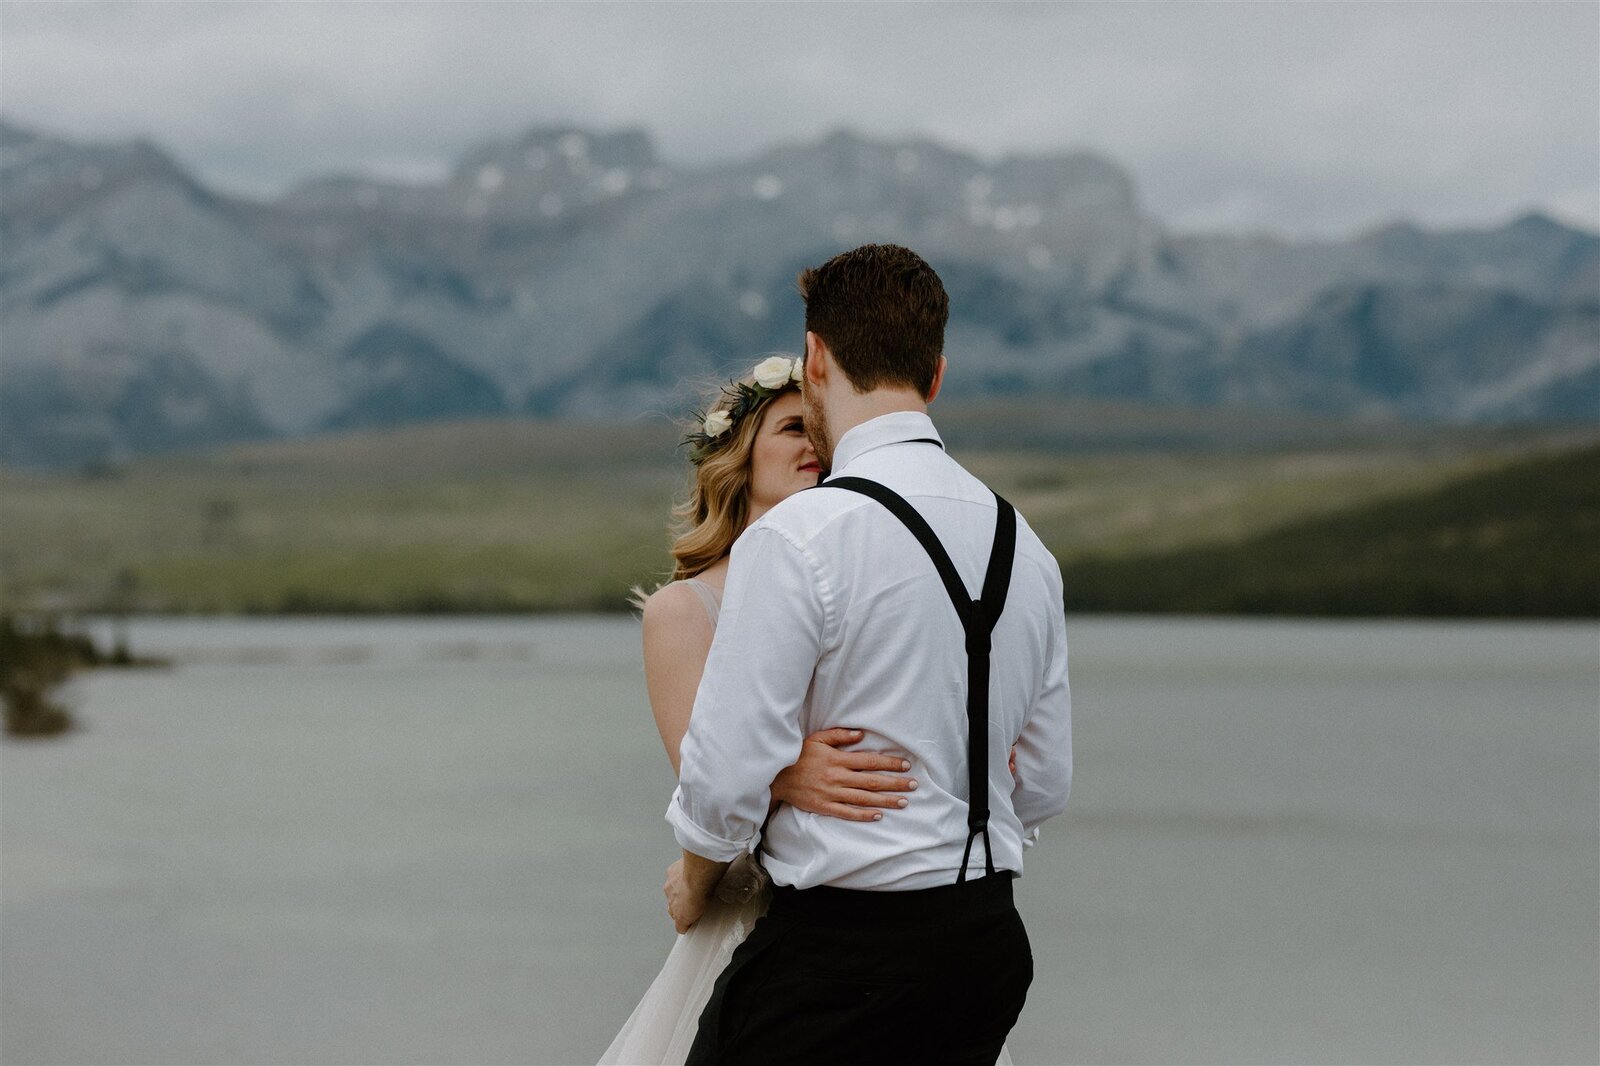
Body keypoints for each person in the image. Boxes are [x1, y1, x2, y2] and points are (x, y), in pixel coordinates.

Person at [664, 244, 1072, 1066]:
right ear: (937, 374)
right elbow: (1045, 783)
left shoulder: (799, 536)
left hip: (838, 961)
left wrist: (693, 883)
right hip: (986, 951)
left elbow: (721, 778)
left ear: (816, 359)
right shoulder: (1022, 543)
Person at [599, 357, 922, 1065]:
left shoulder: (861, 584)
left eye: (823, 431)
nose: (814, 444)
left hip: (875, 903)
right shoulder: (683, 610)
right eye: (790, 428)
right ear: (739, 456)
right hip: (755, 914)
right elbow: (705, 774)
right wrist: (783, 771)